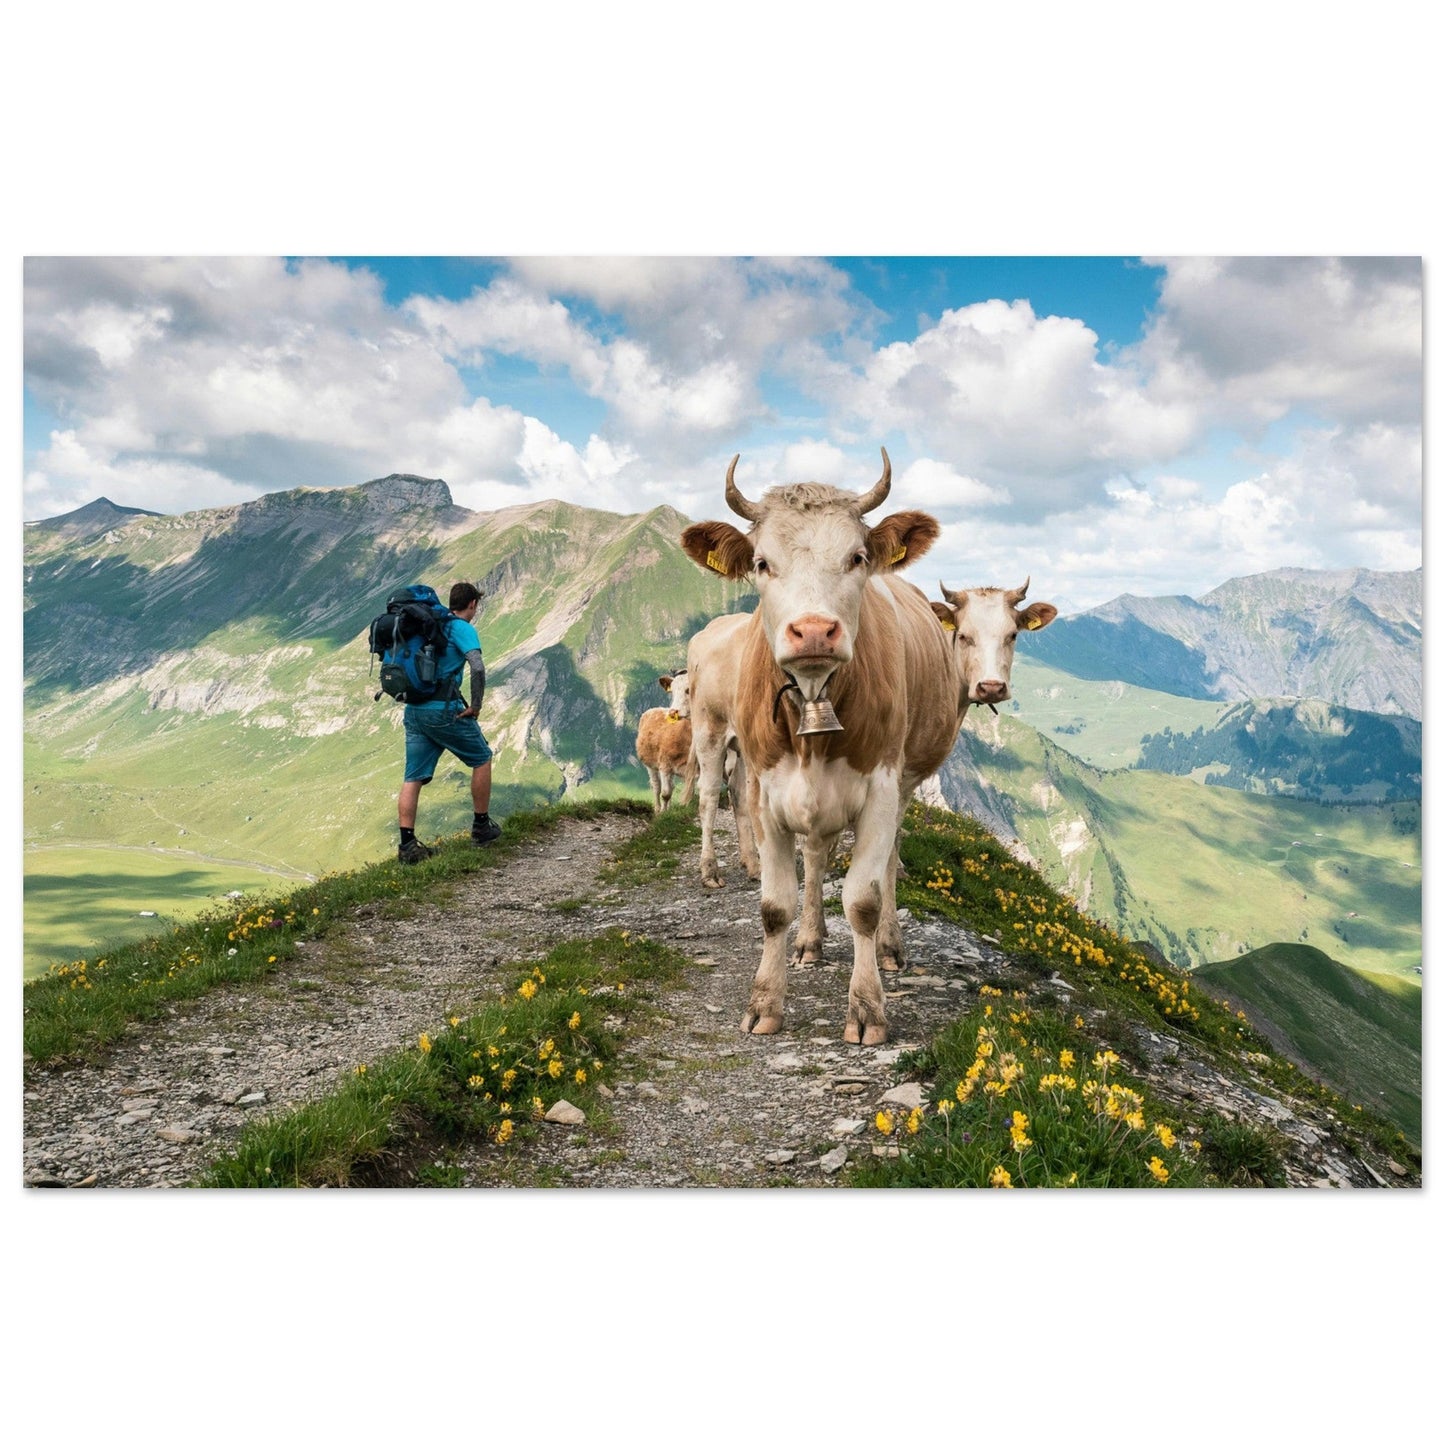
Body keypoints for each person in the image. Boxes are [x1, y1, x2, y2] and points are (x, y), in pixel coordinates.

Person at [396, 581, 501, 863]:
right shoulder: (461, 628)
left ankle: (407, 846)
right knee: (482, 758)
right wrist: (476, 705)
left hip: (414, 710)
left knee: (413, 776)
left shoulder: (428, 626)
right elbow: (477, 666)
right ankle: (481, 827)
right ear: (473, 604)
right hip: (443, 710)